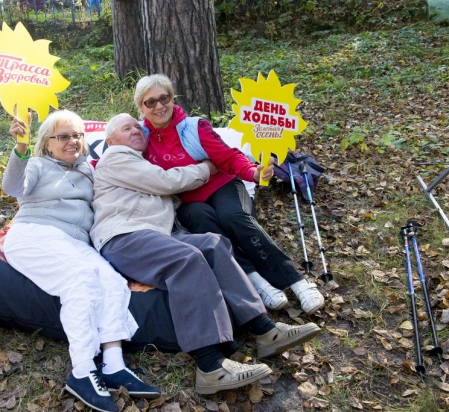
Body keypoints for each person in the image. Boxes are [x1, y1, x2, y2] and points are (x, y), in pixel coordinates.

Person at [90, 113, 321, 395]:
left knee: (213, 244)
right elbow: (165, 181)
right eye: (128, 128)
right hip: (124, 236)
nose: (137, 131)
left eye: (138, 127)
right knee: (187, 259)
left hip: (157, 234)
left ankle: (265, 329)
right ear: (111, 139)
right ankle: (210, 365)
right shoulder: (115, 158)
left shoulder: (140, 161)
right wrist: (206, 169)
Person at [2, 110, 160, 412]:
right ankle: (82, 370)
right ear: (48, 143)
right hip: (36, 235)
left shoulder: (90, 169)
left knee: (113, 283)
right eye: (63, 136)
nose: (72, 141)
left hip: (76, 244)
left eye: (77, 135)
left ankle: (113, 366)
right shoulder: (37, 165)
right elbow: (12, 187)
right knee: (81, 280)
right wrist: (20, 148)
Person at [134, 74, 325, 314]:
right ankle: (255, 280)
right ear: (140, 107)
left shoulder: (194, 127)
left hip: (221, 184)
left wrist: (254, 173)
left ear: (173, 98)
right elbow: (121, 159)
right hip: (187, 200)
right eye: (150, 102)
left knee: (233, 217)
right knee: (207, 228)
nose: (159, 106)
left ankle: (296, 281)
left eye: (164, 98)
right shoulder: (140, 138)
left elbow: (229, 157)